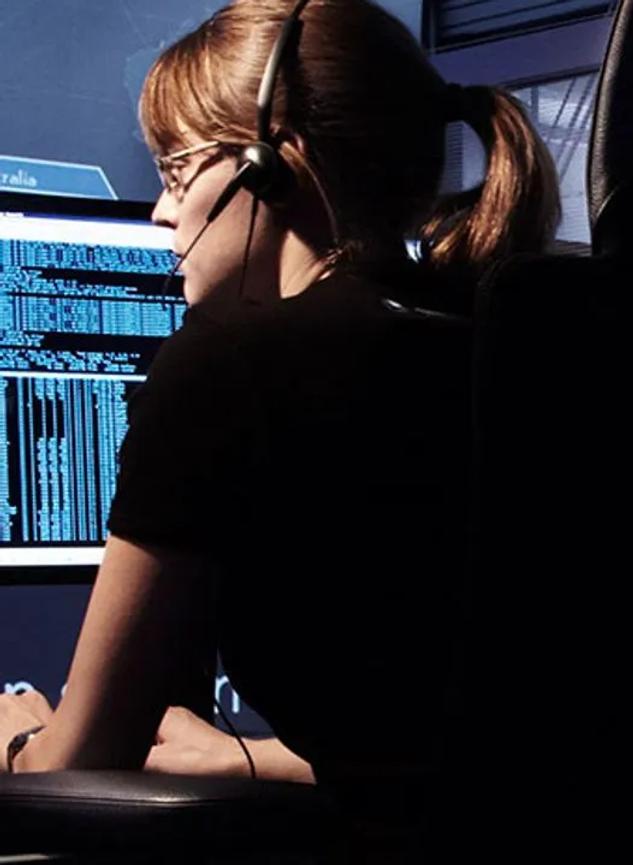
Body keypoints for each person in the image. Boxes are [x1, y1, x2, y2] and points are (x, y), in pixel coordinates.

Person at [0, 0, 557, 847]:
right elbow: (489, 743)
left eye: (176, 172)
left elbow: (83, 757)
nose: (159, 212)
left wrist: (17, 739)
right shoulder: (504, 341)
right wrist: (251, 757)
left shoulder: (226, 363)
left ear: (271, 165)